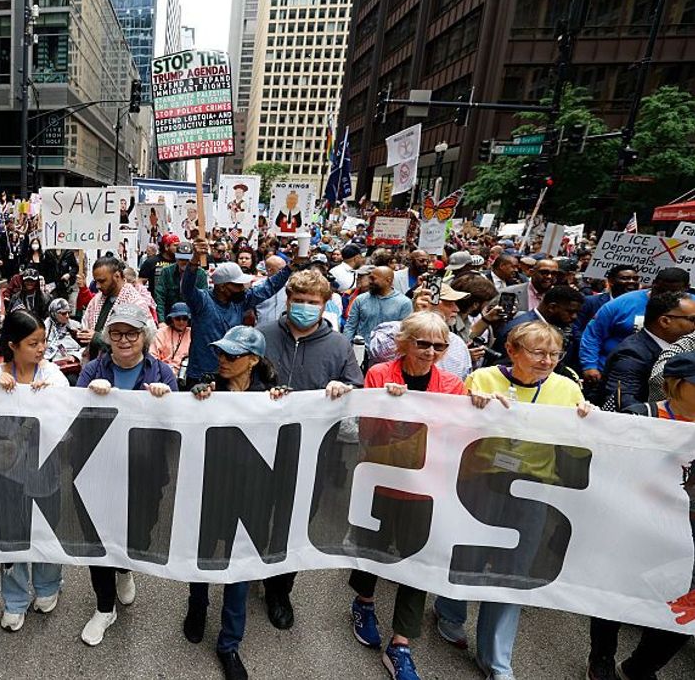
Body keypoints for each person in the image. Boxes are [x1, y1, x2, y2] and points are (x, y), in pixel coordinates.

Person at [434, 322, 598, 680]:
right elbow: (452, 428)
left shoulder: (568, 388)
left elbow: (575, 447)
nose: (547, 361)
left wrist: (588, 423)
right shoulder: (483, 379)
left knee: (515, 571)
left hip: (534, 489)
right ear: (512, 350)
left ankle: (496, 660)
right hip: (481, 481)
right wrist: (471, 407)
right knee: (469, 554)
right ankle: (449, 611)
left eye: (554, 354)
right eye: (538, 353)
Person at [349, 312, 469, 680]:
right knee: (374, 547)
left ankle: (401, 642)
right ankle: (364, 601)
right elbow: (367, 433)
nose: (431, 351)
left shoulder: (452, 385)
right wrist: (389, 406)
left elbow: (455, 435)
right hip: (381, 479)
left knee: (418, 560)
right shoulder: (379, 375)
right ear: (404, 343)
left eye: (440, 345)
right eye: (423, 343)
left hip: (427, 486)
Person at [256, 270, 363, 629]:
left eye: (312, 302)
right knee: (256, 512)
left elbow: (356, 390)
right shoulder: (263, 336)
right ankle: (252, 565)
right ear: (287, 301)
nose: (304, 308)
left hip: (314, 454)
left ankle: (280, 588)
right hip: (261, 447)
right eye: (298, 301)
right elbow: (236, 379)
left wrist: (343, 389)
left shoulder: (339, 347)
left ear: (324, 305)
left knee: (296, 521)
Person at [184, 325, 287, 680]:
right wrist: (194, 393)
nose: (223, 361)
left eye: (232, 355)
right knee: (203, 557)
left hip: (252, 497)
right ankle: (197, 606)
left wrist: (287, 404)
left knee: (239, 570)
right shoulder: (206, 388)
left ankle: (229, 644)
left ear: (253, 360)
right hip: (211, 492)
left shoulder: (272, 396)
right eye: (221, 354)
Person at [586, 352, 695, 680]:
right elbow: (605, 466)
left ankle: (638, 668)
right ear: (675, 385)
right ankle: (601, 657)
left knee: (683, 614)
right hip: (633, 527)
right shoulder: (641, 416)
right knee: (615, 595)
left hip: (687, 537)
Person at [75, 303, 177, 646]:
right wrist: (91, 399)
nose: (124, 340)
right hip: (99, 473)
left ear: (144, 337)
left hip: (146, 475)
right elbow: (75, 419)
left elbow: (179, 424)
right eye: (116, 333)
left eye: (131, 333)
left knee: (140, 536)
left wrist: (166, 402)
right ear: (108, 337)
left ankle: (124, 568)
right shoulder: (91, 371)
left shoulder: (162, 373)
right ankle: (105, 608)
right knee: (97, 540)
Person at [0, 311, 69, 634]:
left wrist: (51, 398)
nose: (41, 349)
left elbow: (66, 422)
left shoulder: (54, 375)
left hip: (46, 468)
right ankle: (15, 599)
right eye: (33, 343)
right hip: (7, 472)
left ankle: (49, 585)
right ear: (13, 345)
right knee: (13, 535)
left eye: (44, 341)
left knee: (48, 527)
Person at [181, 240, 289, 383]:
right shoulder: (202, 301)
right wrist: (195, 260)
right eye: (237, 285)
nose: (242, 288)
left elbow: (268, 288)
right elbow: (187, 288)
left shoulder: (240, 301)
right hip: (201, 376)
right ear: (223, 286)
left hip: (230, 375)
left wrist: (289, 269)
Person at [581, 268, 692, 390]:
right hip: (619, 370)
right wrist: (590, 365)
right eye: (661, 290)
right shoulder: (622, 303)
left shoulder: (692, 306)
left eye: (675, 292)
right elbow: (593, 334)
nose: (667, 296)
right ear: (654, 284)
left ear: (687, 288)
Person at [601, 291, 695, 411]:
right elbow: (623, 400)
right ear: (664, 321)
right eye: (692, 319)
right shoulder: (632, 354)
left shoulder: (685, 347)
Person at [369, 283, 475, 380]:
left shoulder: (458, 344)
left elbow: (462, 382)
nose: (456, 309)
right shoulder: (391, 329)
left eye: (439, 346)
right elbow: (379, 353)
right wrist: (418, 320)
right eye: (449, 303)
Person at [79, 256, 151, 360]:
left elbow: (140, 343)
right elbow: (86, 325)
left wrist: (97, 338)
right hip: (94, 364)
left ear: (117, 276)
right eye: (96, 282)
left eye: (102, 281)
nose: (98, 286)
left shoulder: (135, 302)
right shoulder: (96, 300)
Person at [344, 267, 412, 347]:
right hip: (362, 351)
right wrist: (346, 348)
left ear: (388, 280)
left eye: (373, 279)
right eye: (369, 278)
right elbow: (350, 326)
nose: (369, 282)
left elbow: (405, 333)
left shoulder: (404, 303)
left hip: (389, 354)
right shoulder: (360, 299)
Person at [155, 242, 207, 321]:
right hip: (170, 318)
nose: (185, 262)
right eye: (182, 259)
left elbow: (204, 300)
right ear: (176, 258)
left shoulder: (201, 274)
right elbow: (159, 298)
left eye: (187, 259)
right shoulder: (166, 272)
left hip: (193, 319)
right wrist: (161, 321)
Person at [153, 302, 192, 380]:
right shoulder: (161, 333)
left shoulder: (193, 333)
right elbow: (153, 356)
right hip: (162, 374)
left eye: (184, 318)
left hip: (186, 376)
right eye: (178, 318)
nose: (181, 322)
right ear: (172, 319)